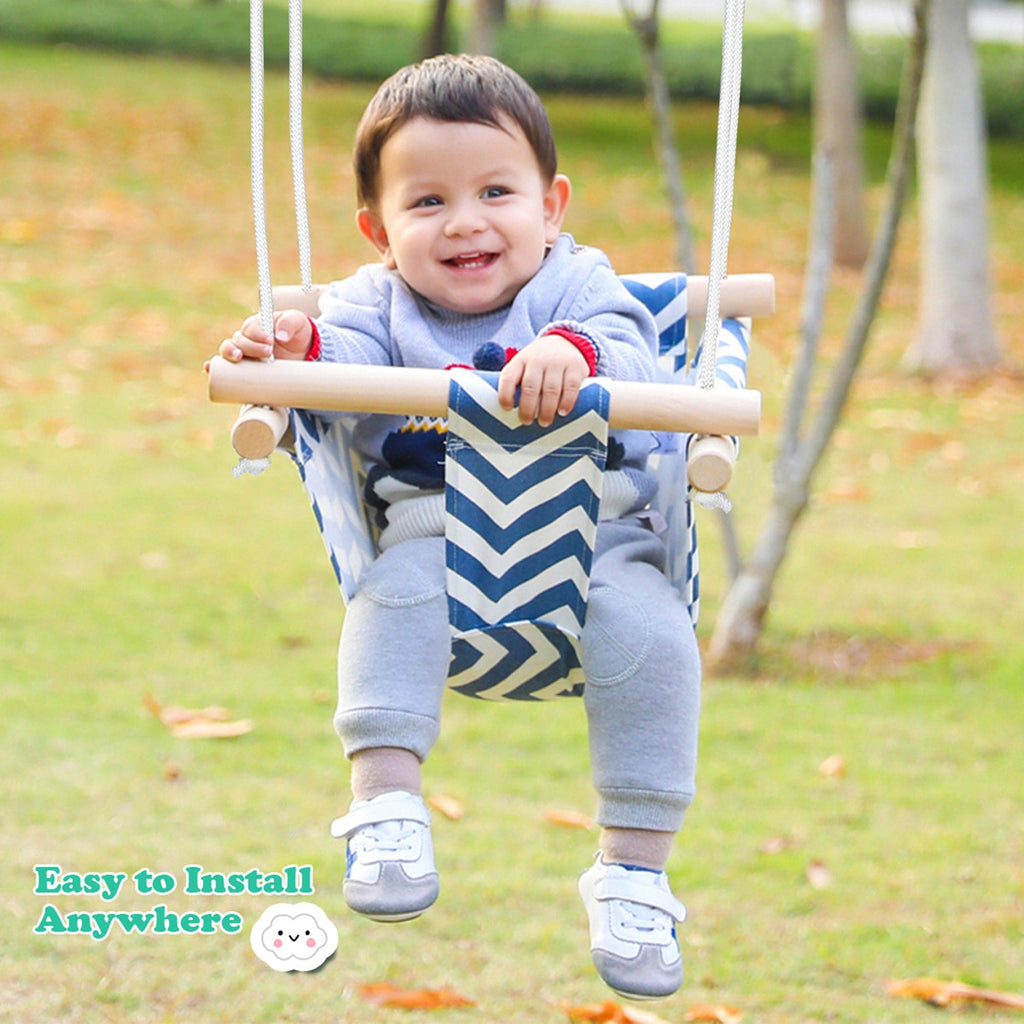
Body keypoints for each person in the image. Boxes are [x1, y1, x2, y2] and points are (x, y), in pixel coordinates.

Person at [218, 54, 699, 1001]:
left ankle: (635, 870)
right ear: (379, 229)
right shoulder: (375, 302)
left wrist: (575, 351)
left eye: (495, 191)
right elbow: (343, 354)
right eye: (427, 201)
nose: (466, 220)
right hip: (436, 538)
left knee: (655, 641)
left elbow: (632, 340)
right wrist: (294, 346)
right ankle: (387, 806)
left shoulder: (579, 284)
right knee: (389, 602)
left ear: (551, 205)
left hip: (603, 542)